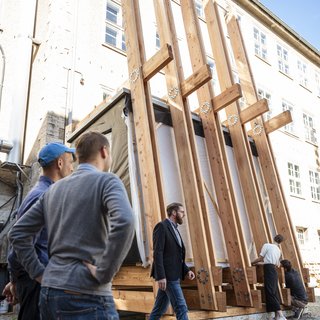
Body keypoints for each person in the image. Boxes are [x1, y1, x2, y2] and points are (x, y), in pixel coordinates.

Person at [8, 131, 135, 319]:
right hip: (86, 294)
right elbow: (125, 221)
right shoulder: (107, 180)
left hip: (50, 293)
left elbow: (17, 233)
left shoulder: (52, 191)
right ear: (104, 151)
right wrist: (105, 272)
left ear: (79, 157)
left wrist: (39, 272)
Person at [2, 142, 75, 320]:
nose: (72, 169)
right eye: (71, 163)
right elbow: (18, 240)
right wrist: (32, 277)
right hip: (37, 283)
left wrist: (15, 280)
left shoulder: (42, 192)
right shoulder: (44, 195)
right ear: (59, 163)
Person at [149, 202, 195, 320]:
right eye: (182, 212)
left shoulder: (174, 229)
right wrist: (161, 276)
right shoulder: (162, 227)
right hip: (168, 276)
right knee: (181, 308)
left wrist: (186, 270)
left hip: (173, 274)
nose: (184, 215)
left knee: (158, 310)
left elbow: (175, 255)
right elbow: (158, 253)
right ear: (174, 213)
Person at [252, 234, 287, 320]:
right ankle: (276, 316)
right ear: (280, 242)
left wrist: (252, 262)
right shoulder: (278, 250)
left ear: (274, 238)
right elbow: (272, 263)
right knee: (274, 291)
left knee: (270, 291)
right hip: (273, 270)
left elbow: (261, 258)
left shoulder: (267, 245)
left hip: (268, 270)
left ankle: (280, 314)